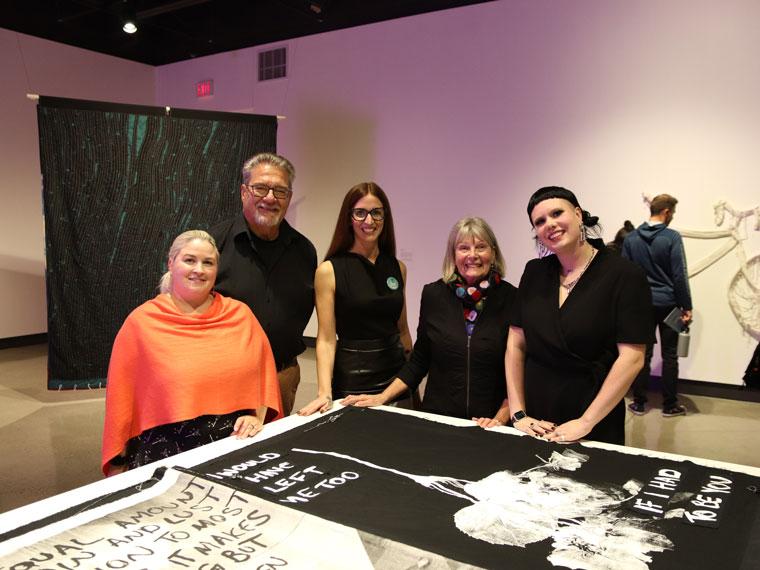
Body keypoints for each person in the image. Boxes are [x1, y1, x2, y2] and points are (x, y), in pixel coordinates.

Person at [101, 230, 282, 476]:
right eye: (190, 260)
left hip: (231, 445)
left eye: (208, 262)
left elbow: (262, 378)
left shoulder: (240, 316)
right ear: (171, 263)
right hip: (164, 452)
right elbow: (122, 397)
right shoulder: (141, 323)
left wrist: (256, 418)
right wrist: (119, 462)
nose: (199, 269)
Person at [506, 186, 653, 445]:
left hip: (592, 411)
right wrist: (518, 413)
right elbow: (515, 344)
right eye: (539, 222)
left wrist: (586, 422)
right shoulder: (535, 272)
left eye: (556, 213)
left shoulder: (624, 275)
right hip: (535, 415)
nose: (549, 224)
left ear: (578, 214)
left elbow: (632, 358)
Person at [343, 217, 516, 426]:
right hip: (438, 418)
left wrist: (501, 418)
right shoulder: (434, 295)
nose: (473, 255)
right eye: (463, 248)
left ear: (493, 253)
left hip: (489, 422)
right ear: (453, 254)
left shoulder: (512, 298)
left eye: (481, 247)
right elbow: (420, 359)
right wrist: (382, 397)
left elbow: (518, 371)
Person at [210, 153, 317, 416]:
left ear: (289, 197)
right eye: (260, 188)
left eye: (280, 190)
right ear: (243, 192)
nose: (270, 198)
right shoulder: (215, 244)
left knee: (272, 451)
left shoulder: (304, 251)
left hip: (282, 374)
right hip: (223, 377)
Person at [298, 182, 413, 415]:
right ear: (348, 218)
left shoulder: (397, 268)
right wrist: (324, 391)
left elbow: (402, 330)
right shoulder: (329, 271)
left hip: (396, 376)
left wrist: (411, 376)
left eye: (376, 213)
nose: (369, 221)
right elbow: (327, 339)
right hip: (354, 377)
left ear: (385, 217)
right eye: (360, 213)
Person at [622, 194, 693, 417]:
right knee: (670, 354)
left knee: (643, 354)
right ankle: (670, 405)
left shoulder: (632, 238)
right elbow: (679, 275)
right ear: (666, 212)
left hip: (641, 305)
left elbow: (624, 275)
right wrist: (686, 306)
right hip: (669, 304)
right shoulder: (671, 237)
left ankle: (639, 403)